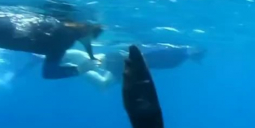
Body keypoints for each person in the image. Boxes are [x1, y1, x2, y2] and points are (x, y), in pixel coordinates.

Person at [63, 43, 206, 90]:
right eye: (198, 56)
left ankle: (70, 64)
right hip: (125, 60)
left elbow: (153, 62)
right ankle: (56, 55)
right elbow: (152, 51)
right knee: (91, 60)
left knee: (103, 84)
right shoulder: (177, 52)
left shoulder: (179, 58)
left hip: (130, 68)